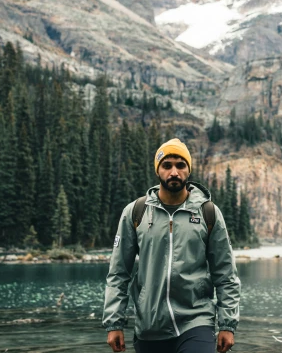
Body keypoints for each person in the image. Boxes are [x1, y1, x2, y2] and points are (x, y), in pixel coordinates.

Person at [103, 138, 241, 353]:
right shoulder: (136, 212)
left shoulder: (207, 213)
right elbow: (118, 273)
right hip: (150, 325)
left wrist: (227, 324)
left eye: (180, 165)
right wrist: (114, 323)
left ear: (189, 170)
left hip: (196, 320)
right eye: (167, 166)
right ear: (158, 170)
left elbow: (226, 274)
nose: (174, 172)